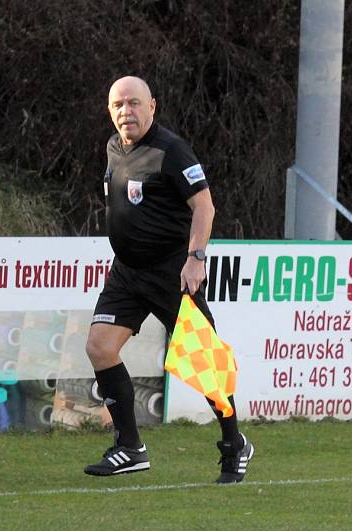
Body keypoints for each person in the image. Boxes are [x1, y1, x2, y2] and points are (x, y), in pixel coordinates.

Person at [84, 75, 253, 484]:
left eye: (134, 103)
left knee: (204, 365)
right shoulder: (112, 148)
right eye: (118, 105)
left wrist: (196, 258)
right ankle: (130, 447)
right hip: (126, 272)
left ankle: (235, 443)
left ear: (152, 106)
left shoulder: (171, 151)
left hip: (171, 274)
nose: (127, 111)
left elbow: (204, 206)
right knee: (100, 347)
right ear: (110, 111)